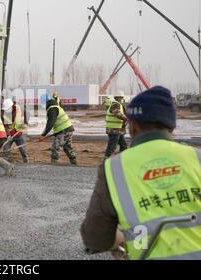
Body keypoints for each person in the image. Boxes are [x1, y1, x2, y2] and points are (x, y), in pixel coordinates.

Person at [81, 86, 201, 260]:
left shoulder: (114, 168)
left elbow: (95, 239)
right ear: (171, 126)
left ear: (133, 125)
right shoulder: (197, 158)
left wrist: (122, 238)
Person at [39, 93, 77, 165]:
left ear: (45, 102)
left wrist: (43, 135)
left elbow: (50, 123)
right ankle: (74, 163)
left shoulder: (52, 109)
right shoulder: (55, 105)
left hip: (63, 131)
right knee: (67, 148)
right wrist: (56, 96)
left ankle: (54, 164)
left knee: (55, 148)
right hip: (69, 129)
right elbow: (58, 100)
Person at [1, 98, 28, 163]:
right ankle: (5, 161)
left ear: (12, 106)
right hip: (10, 134)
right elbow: (5, 126)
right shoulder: (3, 114)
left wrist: (25, 123)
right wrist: (8, 134)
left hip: (19, 133)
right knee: (6, 147)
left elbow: (25, 117)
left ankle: (26, 160)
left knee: (22, 148)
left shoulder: (19, 109)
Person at [104, 92, 128, 159]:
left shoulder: (118, 104)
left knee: (124, 145)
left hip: (118, 129)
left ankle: (122, 159)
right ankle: (106, 160)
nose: (122, 99)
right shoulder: (115, 104)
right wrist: (126, 118)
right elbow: (117, 113)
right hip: (114, 129)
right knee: (112, 146)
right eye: (122, 98)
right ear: (119, 97)